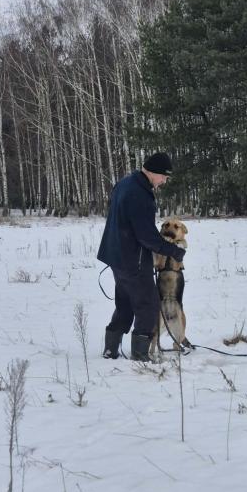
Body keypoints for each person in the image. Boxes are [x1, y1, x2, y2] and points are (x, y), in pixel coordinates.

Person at [97, 152, 186, 361]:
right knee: (148, 305)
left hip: (116, 255)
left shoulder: (125, 183)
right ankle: (140, 355)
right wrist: (174, 251)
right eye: (164, 176)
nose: (164, 181)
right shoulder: (140, 194)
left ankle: (111, 349)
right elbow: (146, 236)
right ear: (153, 172)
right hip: (133, 260)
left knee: (125, 303)